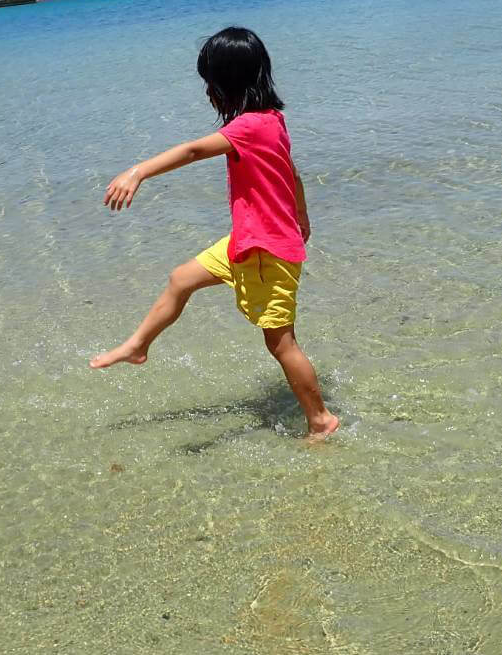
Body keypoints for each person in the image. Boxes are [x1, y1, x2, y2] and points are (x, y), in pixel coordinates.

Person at [90, 27, 339, 441]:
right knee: (180, 279)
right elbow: (291, 171)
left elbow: (192, 150)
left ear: (225, 85)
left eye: (210, 82)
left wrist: (138, 171)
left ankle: (320, 419)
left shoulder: (246, 128)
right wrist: (302, 214)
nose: (208, 91)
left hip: (266, 250)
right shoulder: (272, 120)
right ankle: (137, 346)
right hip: (249, 239)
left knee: (281, 344)